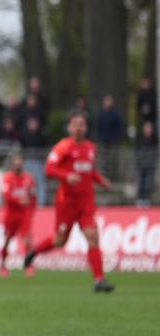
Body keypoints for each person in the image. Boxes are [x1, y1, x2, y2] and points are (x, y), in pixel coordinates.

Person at [24, 111, 114, 292]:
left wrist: (101, 180)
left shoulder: (90, 147)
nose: (79, 128)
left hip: (86, 203)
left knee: (92, 237)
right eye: (75, 124)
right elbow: (49, 169)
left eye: (82, 125)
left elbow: (90, 171)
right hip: (67, 203)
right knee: (59, 241)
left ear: (86, 127)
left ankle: (99, 279)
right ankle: (34, 252)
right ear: (69, 127)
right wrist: (66, 175)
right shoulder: (63, 147)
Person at [0, 152, 36, 277]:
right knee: (8, 240)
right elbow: (5, 195)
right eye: (16, 161)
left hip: (24, 214)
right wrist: (19, 200)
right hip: (11, 214)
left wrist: (32, 210)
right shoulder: (7, 177)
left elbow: (32, 196)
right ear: (13, 164)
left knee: (27, 240)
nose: (18, 164)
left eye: (20, 161)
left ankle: (28, 266)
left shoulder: (28, 178)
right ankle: (3, 265)